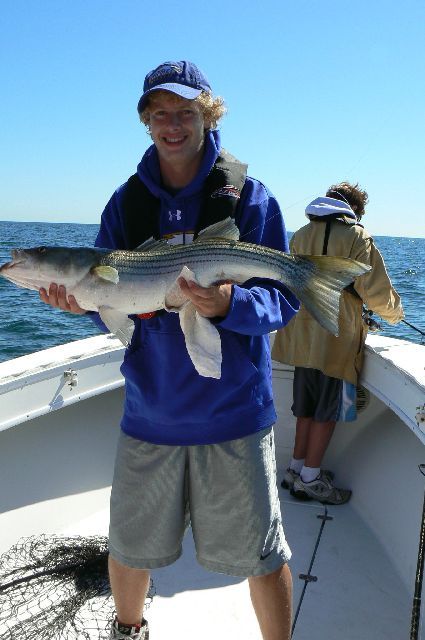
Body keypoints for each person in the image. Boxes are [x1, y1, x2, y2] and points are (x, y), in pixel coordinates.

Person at [39, 60, 299, 639]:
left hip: (233, 415)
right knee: (129, 548)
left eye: (185, 112)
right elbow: (109, 296)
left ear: (208, 114)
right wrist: (78, 304)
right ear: (146, 120)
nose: (172, 124)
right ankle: (127, 632)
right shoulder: (125, 204)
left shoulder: (251, 199)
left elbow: (284, 301)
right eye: (160, 113)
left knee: (261, 555)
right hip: (149, 414)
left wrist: (228, 304)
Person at [272, 182, 404, 506]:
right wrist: (396, 314)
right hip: (336, 338)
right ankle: (311, 479)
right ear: (354, 210)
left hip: (300, 336)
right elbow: (375, 291)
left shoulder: (301, 233)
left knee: (304, 408)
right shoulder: (358, 236)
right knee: (327, 412)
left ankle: (295, 470)